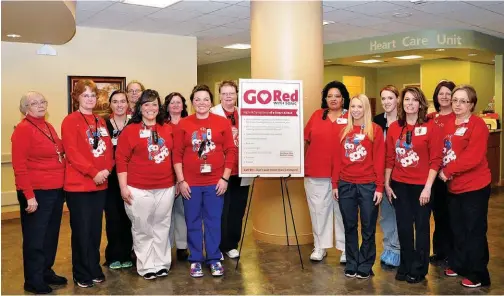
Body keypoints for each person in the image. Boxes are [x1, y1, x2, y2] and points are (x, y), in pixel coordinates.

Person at [173, 85, 237, 278]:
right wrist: (181, 181)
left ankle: (214, 258)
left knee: (213, 221)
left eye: (206, 99)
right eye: (197, 99)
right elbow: (176, 154)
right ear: (192, 102)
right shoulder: (183, 124)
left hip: (215, 182)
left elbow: (230, 151)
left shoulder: (221, 122)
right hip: (190, 183)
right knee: (192, 221)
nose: (201, 103)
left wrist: (225, 178)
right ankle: (196, 260)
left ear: (211, 102)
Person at [385, 86, 443, 284]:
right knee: (403, 228)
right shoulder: (394, 127)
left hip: (422, 186)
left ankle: (419, 268)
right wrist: (386, 183)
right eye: (407, 99)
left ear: (421, 104)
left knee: (421, 228)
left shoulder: (431, 127)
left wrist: (428, 187)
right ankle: (406, 264)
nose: (410, 103)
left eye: (414, 100)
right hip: (399, 185)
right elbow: (390, 158)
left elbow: (436, 160)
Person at [116, 90, 176, 280]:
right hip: (138, 187)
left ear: (160, 108)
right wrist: (123, 187)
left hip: (165, 187)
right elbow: (121, 159)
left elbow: (176, 156)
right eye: (147, 104)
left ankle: (161, 263)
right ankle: (146, 265)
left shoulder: (167, 128)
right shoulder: (130, 130)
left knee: (162, 225)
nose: (151, 108)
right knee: (143, 227)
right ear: (140, 108)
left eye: (154, 104)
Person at [12, 91, 67, 294]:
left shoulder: (47, 126)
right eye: (34, 103)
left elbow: (59, 149)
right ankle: (33, 280)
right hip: (36, 192)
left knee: (50, 235)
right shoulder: (23, 130)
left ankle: (45, 271)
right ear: (26, 108)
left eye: (43, 101)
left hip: (54, 191)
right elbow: (19, 166)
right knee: (35, 237)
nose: (40, 105)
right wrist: (29, 196)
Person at [62, 80, 114, 288]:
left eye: (93, 95)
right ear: (77, 98)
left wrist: (107, 170)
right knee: (82, 231)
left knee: (94, 230)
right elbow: (72, 153)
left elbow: (109, 149)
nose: (90, 99)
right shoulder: (70, 121)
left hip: (100, 184)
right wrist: (93, 172)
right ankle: (81, 272)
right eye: (85, 95)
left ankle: (93, 267)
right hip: (79, 186)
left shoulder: (100, 122)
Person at [439, 85, 492, 288]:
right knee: (457, 229)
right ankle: (460, 264)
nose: (458, 104)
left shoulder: (477, 125)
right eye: (455, 100)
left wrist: (447, 171)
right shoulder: (448, 123)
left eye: (463, 101)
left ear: (472, 104)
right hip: (454, 187)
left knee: (474, 230)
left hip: (475, 187)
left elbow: (473, 157)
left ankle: (479, 273)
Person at [332, 94, 384, 279]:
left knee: (369, 227)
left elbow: (379, 160)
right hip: (345, 184)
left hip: (368, 185)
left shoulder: (375, 130)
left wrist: (379, 187)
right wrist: (335, 184)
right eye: (352, 106)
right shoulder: (343, 131)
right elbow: (337, 160)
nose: (355, 110)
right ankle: (352, 262)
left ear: (366, 109)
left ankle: (366, 263)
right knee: (349, 225)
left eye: (359, 106)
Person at [304, 80, 349, 263]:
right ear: (324, 98)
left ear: (344, 99)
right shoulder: (317, 115)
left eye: (337, 96)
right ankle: (320, 246)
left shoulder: (351, 117)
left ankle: (346, 248)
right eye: (329, 96)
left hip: (344, 174)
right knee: (318, 211)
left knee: (343, 212)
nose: (333, 99)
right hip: (316, 172)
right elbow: (306, 140)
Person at [210, 80, 252, 260]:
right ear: (219, 95)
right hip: (221, 171)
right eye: (225, 94)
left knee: (237, 209)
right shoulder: (212, 113)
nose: (228, 97)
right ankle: (218, 245)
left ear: (237, 95)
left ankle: (232, 244)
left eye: (232, 93)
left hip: (242, 170)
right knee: (220, 210)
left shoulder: (245, 113)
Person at [103, 90, 133, 270]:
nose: (120, 104)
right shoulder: (103, 124)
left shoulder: (134, 123)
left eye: (123, 101)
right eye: (115, 101)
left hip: (131, 177)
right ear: (110, 104)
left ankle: (126, 254)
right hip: (110, 178)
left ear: (128, 104)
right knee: (113, 217)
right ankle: (113, 255)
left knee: (128, 217)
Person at [428, 80, 456, 265]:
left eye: (448, 93)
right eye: (441, 93)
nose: (444, 97)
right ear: (436, 97)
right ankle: (439, 251)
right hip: (434, 174)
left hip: (454, 174)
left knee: (453, 215)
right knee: (438, 215)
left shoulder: (459, 117)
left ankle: (453, 253)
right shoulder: (430, 118)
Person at [373, 85, 401, 268]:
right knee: (386, 215)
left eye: (390, 98)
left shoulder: (406, 120)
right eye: (383, 99)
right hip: (382, 174)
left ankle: (398, 249)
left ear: (397, 99)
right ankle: (389, 247)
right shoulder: (376, 121)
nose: (386, 102)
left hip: (403, 174)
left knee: (401, 214)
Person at [163, 92, 190, 261]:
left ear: (183, 105)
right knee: (165, 213)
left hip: (185, 176)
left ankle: (182, 246)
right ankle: (166, 245)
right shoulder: (161, 126)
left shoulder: (189, 124)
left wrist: (181, 180)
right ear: (167, 106)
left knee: (182, 212)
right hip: (165, 176)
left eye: (178, 102)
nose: (175, 105)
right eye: (171, 103)